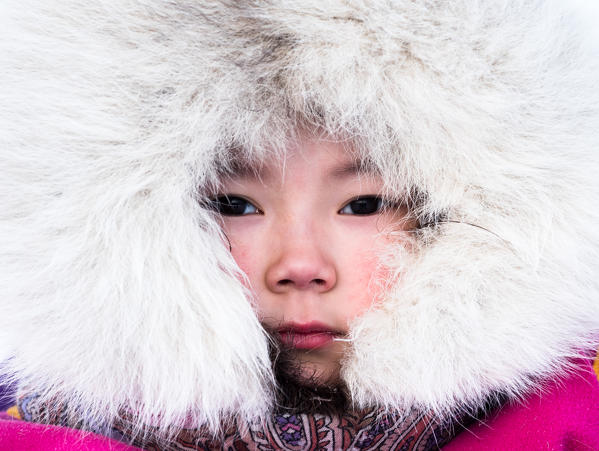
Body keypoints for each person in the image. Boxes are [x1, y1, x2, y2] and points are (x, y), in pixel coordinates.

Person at [2, 1, 599, 450]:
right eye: (234, 205)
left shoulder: (566, 428)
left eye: (364, 205)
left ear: (455, 221)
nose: (301, 266)